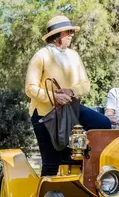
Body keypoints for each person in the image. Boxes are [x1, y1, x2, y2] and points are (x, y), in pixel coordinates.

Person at [25, 15, 111, 176]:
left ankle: (90, 164)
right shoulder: (41, 55)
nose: (72, 34)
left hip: (71, 109)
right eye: (68, 32)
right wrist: (54, 96)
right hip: (45, 114)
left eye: (72, 31)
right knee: (51, 163)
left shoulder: (74, 55)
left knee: (103, 123)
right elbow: (30, 88)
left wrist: (72, 92)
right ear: (57, 35)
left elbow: (85, 84)